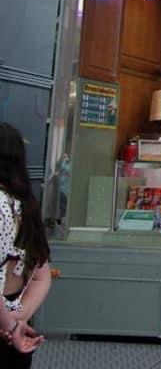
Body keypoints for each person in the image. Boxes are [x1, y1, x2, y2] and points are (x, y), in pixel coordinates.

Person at [0, 124, 50, 368]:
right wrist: (17, 319)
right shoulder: (26, 206)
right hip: (13, 328)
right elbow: (42, 276)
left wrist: (9, 325)